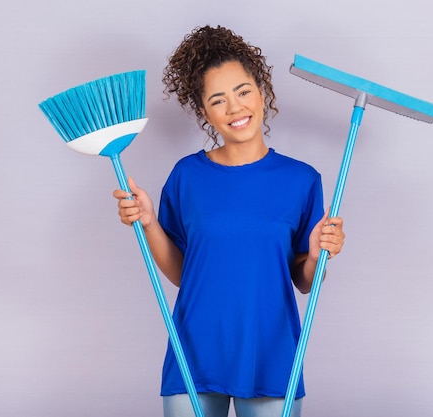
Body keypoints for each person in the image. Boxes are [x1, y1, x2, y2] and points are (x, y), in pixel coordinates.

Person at [114, 25, 346, 417]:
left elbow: (304, 281)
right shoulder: (187, 176)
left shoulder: (302, 180)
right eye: (218, 100)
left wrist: (318, 255)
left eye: (243, 92)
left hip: (271, 353)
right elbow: (184, 273)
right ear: (204, 111)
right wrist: (150, 223)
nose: (235, 108)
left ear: (262, 91)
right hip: (195, 352)